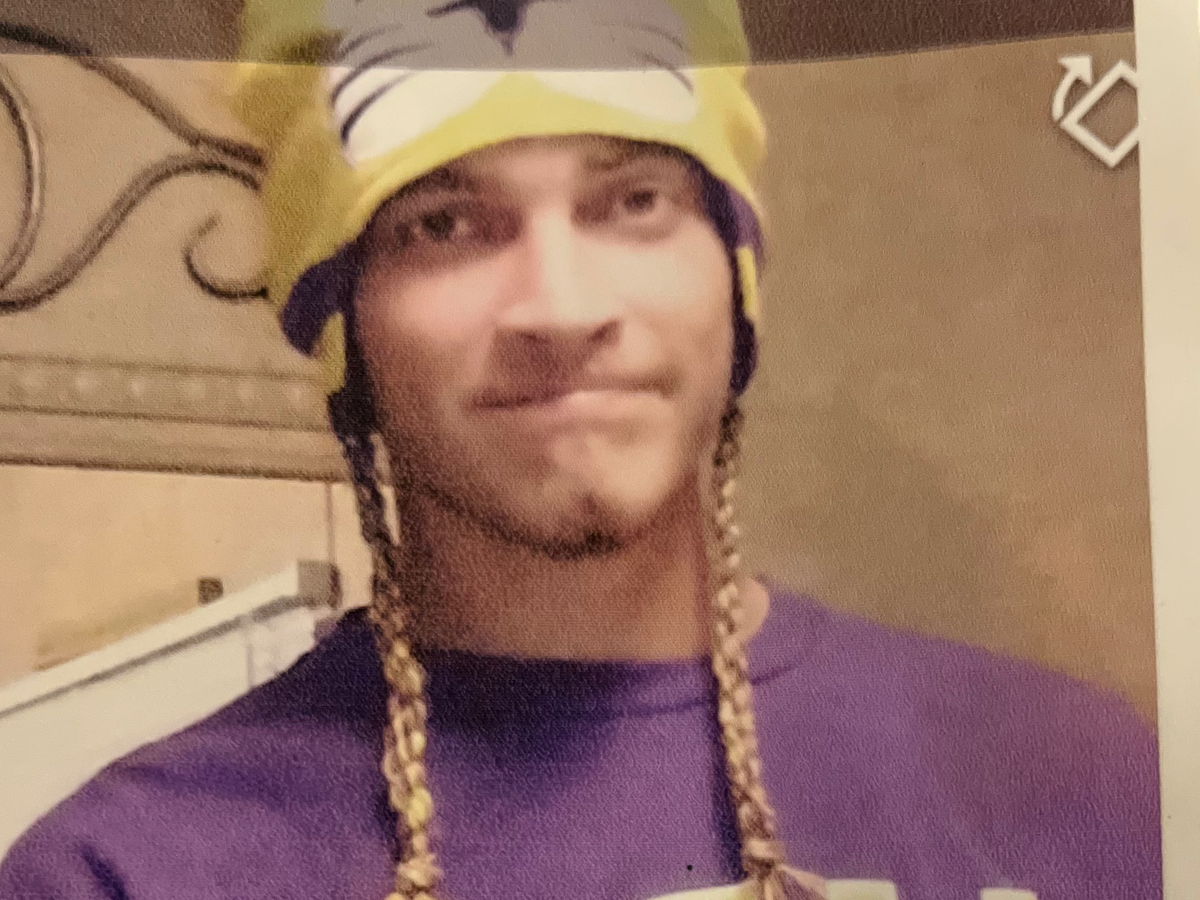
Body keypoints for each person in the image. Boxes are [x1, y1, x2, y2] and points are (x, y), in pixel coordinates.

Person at [0, 1, 1161, 898]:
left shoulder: (1091, 789)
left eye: (634, 201)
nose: (560, 306)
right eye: (445, 223)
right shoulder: (126, 873)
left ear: (732, 279)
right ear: (345, 325)